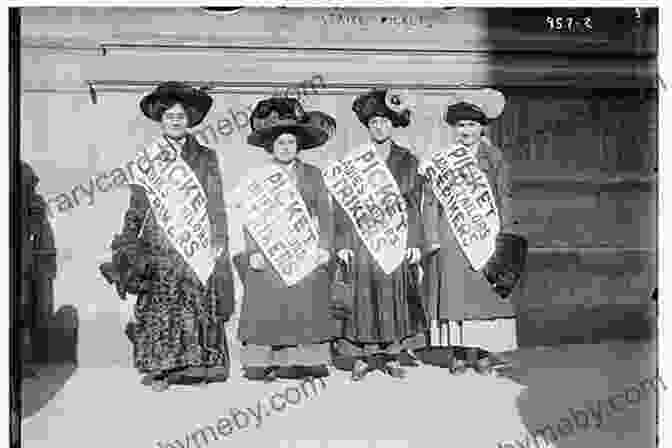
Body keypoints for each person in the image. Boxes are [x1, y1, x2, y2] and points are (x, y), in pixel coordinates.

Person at [110, 81, 235, 391]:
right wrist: (127, 239)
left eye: (180, 116)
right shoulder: (147, 158)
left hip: (196, 239)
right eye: (170, 117)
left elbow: (215, 201)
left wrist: (219, 239)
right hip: (159, 242)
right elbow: (137, 204)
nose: (175, 121)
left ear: (189, 120)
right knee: (162, 305)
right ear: (161, 121)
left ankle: (196, 367)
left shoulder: (206, 156)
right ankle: (162, 370)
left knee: (196, 303)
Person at [420, 88, 524, 374]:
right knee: (455, 298)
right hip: (451, 236)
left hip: (486, 236)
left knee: (483, 296)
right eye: (461, 125)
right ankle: (458, 354)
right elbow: (429, 200)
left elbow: (504, 196)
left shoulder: (494, 158)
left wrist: (505, 234)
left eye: (472, 125)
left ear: (482, 128)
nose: (466, 130)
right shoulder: (442, 159)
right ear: (454, 129)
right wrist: (431, 237)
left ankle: (480, 353)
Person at [236, 97, 339, 382]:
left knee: (305, 303)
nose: (285, 148)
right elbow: (250, 217)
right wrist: (253, 251)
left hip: (304, 250)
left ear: (299, 146)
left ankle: (305, 362)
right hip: (269, 251)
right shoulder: (258, 176)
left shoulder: (313, 175)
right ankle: (268, 362)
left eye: (291, 143)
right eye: (280, 143)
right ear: (271, 146)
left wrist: (324, 248)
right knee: (270, 304)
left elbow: (325, 214)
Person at [332, 88, 427, 381]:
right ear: (367, 126)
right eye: (373, 122)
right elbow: (342, 205)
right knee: (363, 296)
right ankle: (363, 355)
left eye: (385, 121)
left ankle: (391, 352)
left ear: (393, 124)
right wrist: (344, 242)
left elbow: (414, 203)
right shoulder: (355, 160)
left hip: (395, 238)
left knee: (391, 294)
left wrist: (413, 243)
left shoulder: (408, 160)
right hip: (361, 239)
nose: (379, 127)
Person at [20, 161, 57, 379]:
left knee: (25, 311)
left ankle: (22, 361)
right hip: (24, 260)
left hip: (26, 263)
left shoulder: (35, 205)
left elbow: (39, 231)